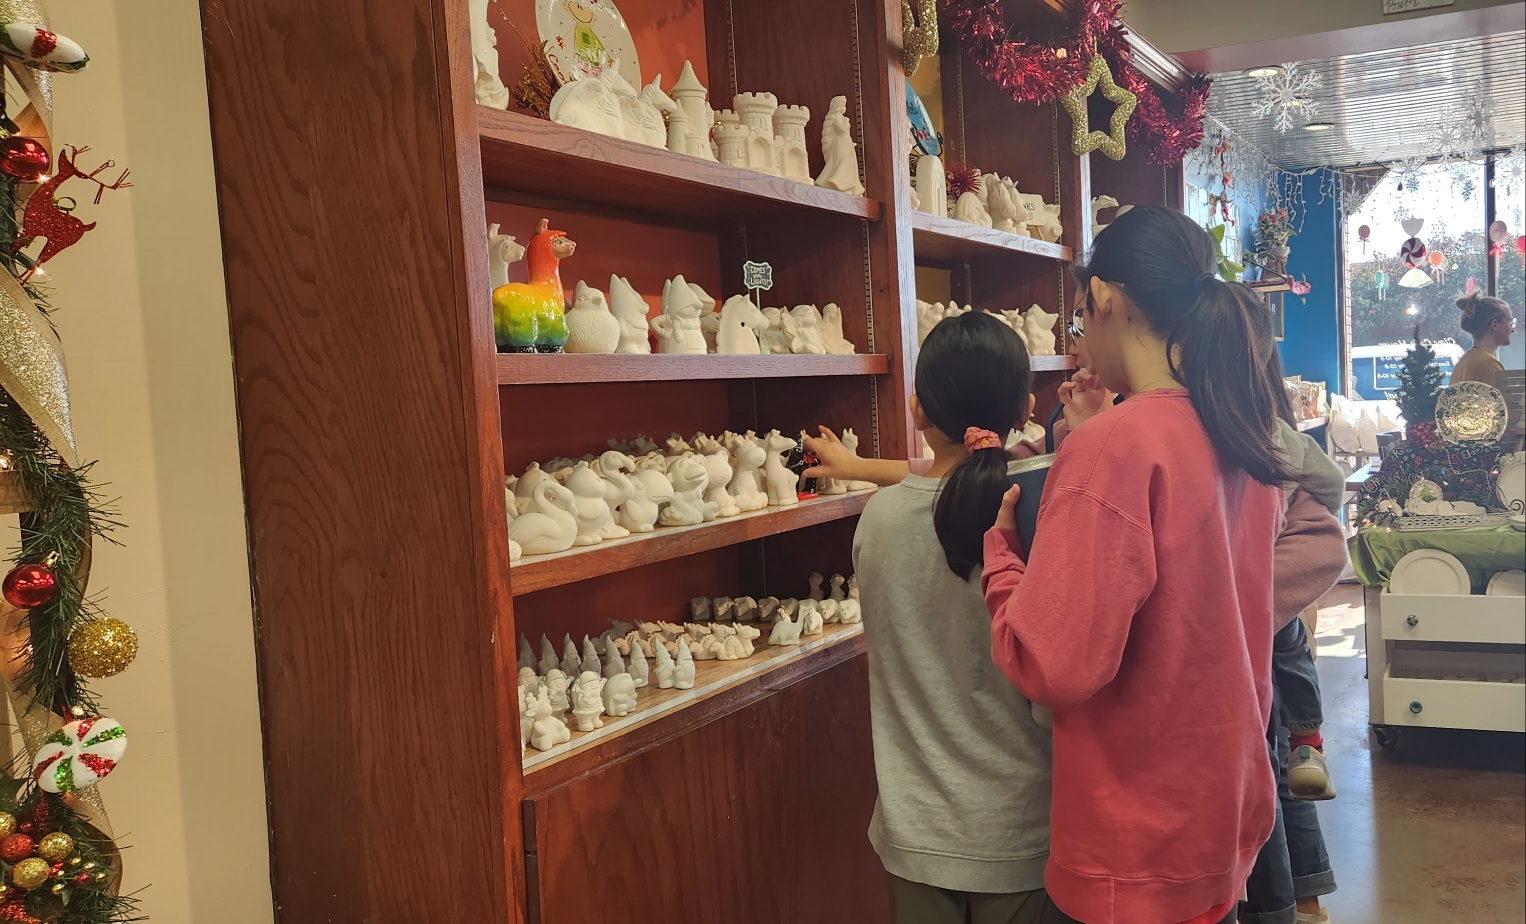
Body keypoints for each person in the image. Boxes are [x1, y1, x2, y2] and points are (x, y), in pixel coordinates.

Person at [982, 206, 1289, 924]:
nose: (1082, 338)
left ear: (1105, 299)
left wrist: (1002, 561)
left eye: (1079, 317)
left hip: (1134, 841)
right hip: (1219, 813)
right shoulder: (1239, 428)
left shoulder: (1114, 446)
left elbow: (1053, 664)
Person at [851, 311, 1066, 924]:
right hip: (1022, 830)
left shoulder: (879, 520)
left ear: (918, 411)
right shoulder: (1037, 517)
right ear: (1026, 409)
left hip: (916, 829)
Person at [1238, 300, 1348, 924]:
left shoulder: (1228, 428)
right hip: (1275, 605)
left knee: (1265, 757)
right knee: (1283, 743)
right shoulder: (1274, 426)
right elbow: (1331, 488)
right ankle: (1304, 899)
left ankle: (1287, 902)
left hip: (1251, 610)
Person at [1450, 293, 1514, 385]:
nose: (1512, 329)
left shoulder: (1462, 363)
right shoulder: (1489, 364)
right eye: (1510, 323)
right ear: (1495, 324)